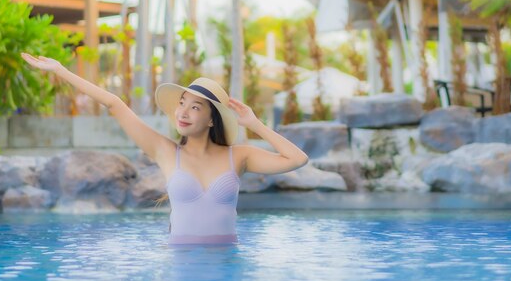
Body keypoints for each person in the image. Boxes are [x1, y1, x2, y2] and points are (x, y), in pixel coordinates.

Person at [21, 53, 308, 245]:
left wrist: (254, 123)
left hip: (226, 265)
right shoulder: (166, 151)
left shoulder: (239, 156)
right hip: (181, 264)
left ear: (211, 120)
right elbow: (114, 103)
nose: (183, 111)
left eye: (195, 107)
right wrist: (60, 70)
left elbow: (297, 159)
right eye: (182, 103)